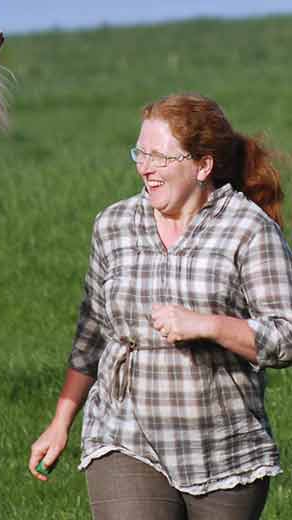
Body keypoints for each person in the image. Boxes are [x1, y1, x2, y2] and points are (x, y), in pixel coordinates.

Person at [28, 93, 292, 520]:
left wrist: (208, 325)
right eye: (141, 152)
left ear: (202, 165)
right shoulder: (113, 225)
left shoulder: (249, 231)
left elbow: (286, 335)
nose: (145, 167)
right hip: (124, 435)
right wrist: (60, 423)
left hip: (224, 448)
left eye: (160, 157)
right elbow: (91, 334)